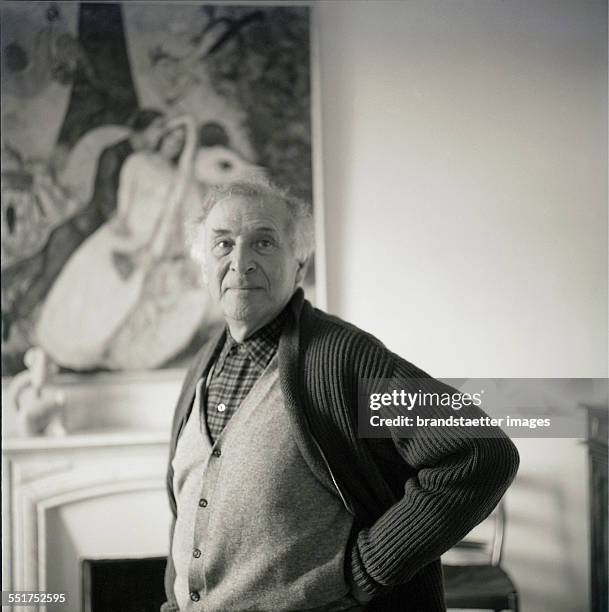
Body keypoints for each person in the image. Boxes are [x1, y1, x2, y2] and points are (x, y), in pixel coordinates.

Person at [161, 179, 520, 612]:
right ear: (204, 266)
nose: (241, 262)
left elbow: (479, 451)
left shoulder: (342, 360)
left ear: (300, 262)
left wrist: (369, 568)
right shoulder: (202, 366)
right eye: (223, 245)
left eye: (263, 242)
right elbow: (187, 511)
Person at [35, 115, 200, 370]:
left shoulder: (178, 178)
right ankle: (63, 352)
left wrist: (151, 250)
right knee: (92, 291)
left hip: (152, 246)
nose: (174, 145)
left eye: (181, 142)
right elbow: (124, 207)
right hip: (124, 236)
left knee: (125, 302)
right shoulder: (137, 162)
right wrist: (126, 240)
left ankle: (101, 355)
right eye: (171, 137)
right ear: (162, 137)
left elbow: (175, 217)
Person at [2, 109, 165, 344]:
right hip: (79, 232)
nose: (160, 135)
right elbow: (105, 197)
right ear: (144, 128)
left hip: (91, 232)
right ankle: (11, 320)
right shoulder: (115, 153)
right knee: (47, 277)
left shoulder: (140, 156)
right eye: (158, 128)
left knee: (40, 271)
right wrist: (123, 223)